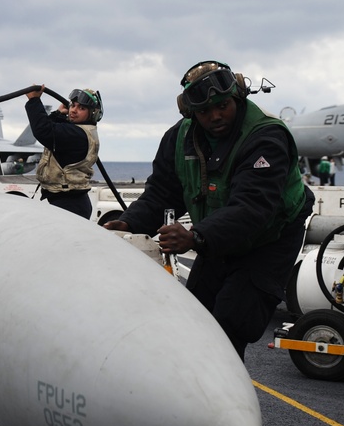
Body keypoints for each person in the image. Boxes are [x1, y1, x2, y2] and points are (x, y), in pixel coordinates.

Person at [103, 61, 314, 360]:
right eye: (204, 111)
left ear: (237, 97)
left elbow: (252, 207)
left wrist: (195, 237)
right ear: (191, 112)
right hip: (215, 236)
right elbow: (162, 193)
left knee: (231, 320)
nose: (215, 116)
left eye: (223, 105)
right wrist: (128, 223)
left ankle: (225, 402)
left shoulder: (265, 137)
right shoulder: (179, 138)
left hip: (269, 238)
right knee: (195, 317)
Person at [25, 86, 102, 219]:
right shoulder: (81, 131)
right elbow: (56, 134)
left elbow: (45, 131)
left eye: (81, 108)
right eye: (73, 105)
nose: (74, 110)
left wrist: (34, 101)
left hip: (69, 204)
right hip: (67, 201)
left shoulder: (77, 134)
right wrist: (59, 114)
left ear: (93, 113)